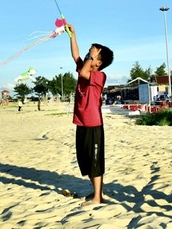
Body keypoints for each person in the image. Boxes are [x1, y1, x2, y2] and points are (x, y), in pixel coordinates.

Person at [66, 23, 114, 206]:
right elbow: (76, 56)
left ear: (98, 63)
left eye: (92, 56)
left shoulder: (99, 76)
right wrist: (73, 35)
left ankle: (97, 197)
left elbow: (86, 69)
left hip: (94, 124)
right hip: (81, 122)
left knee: (95, 162)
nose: (88, 57)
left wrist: (91, 56)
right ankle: (95, 192)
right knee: (85, 160)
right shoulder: (84, 69)